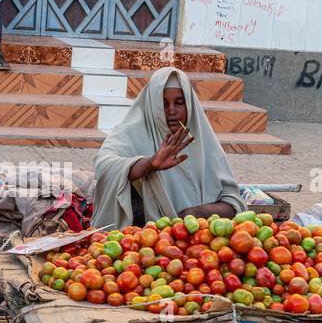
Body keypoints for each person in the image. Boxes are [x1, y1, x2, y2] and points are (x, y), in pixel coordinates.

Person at [94, 68, 243, 228]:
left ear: (190, 105)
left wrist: (196, 213)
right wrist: (149, 164)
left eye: (179, 103)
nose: (171, 111)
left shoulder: (204, 141)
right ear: (153, 105)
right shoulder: (132, 131)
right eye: (163, 104)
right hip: (145, 239)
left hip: (201, 243)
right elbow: (103, 165)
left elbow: (233, 204)